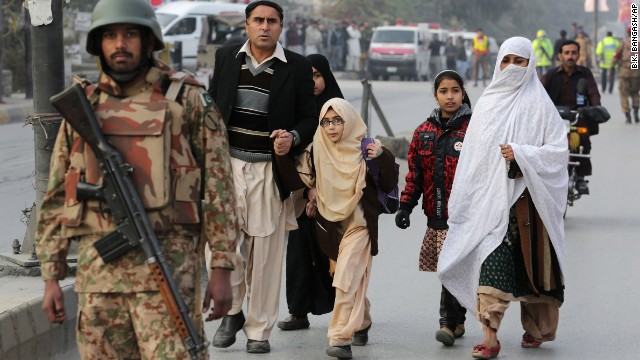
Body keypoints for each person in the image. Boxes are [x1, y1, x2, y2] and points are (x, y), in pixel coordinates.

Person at [36, 0, 239, 358]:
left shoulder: (189, 101)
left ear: (148, 41)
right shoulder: (83, 106)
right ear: (98, 44)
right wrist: (51, 275)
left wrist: (222, 266)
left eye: (130, 34)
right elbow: (58, 193)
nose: (120, 44)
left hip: (168, 276)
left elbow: (219, 188)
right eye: (110, 35)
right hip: (98, 282)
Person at [438, 37, 568, 359]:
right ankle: (490, 335)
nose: (512, 67)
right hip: (490, 205)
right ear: (498, 63)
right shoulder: (488, 104)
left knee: (536, 270)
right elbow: (474, 159)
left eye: (519, 61)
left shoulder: (541, 105)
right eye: (506, 60)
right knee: (490, 264)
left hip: (529, 203)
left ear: (530, 64)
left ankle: (537, 329)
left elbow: (557, 152)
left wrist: (522, 155)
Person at [207, 0, 317, 354]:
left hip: (270, 170)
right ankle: (234, 311)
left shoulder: (296, 67)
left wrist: (293, 138)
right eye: (258, 20)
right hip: (227, 167)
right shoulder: (227, 57)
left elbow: (309, 118)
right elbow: (212, 106)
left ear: (281, 27)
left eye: (272, 21)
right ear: (247, 25)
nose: (265, 26)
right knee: (220, 246)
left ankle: (259, 330)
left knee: (266, 252)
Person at [295, 97, 399, 360]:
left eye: (337, 120)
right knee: (347, 276)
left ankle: (340, 337)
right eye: (326, 122)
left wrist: (382, 156)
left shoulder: (366, 146)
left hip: (361, 222)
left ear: (348, 120)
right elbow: (303, 177)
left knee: (345, 275)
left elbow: (389, 182)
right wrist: (310, 192)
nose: (331, 127)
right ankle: (362, 319)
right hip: (331, 223)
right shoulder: (317, 147)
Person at [395, 70, 472, 347]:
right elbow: (414, 175)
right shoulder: (423, 132)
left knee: (453, 269)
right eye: (443, 91)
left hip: (466, 217)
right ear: (436, 95)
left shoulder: (474, 130)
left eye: (455, 90)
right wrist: (405, 207)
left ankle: (447, 324)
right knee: (448, 270)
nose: (449, 96)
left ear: (462, 93)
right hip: (436, 216)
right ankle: (457, 319)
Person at [277, 53, 343, 331]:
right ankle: (298, 311)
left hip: (337, 196)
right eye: (308, 75)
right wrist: (307, 190)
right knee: (299, 253)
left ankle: (351, 314)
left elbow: (348, 155)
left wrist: (323, 191)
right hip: (301, 194)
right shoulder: (296, 110)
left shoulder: (339, 110)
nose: (312, 81)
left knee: (340, 256)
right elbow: (287, 154)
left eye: (317, 75)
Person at [541, 39, 601, 195]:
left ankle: (580, 177)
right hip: (553, 120)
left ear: (578, 55)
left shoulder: (585, 73)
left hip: (577, 118)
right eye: (566, 53)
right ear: (560, 55)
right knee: (540, 145)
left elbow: (593, 92)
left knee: (584, 140)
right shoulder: (551, 74)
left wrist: (596, 107)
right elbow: (538, 93)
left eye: (573, 53)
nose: (570, 56)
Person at [613, 26, 640, 123]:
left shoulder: (623, 42)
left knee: (624, 94)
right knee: (635, 93)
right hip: (636, 72)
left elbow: (616, 56)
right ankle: (636, 113)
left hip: (624, 71)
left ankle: (628, 116)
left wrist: (611, 68)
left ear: (627, 33)